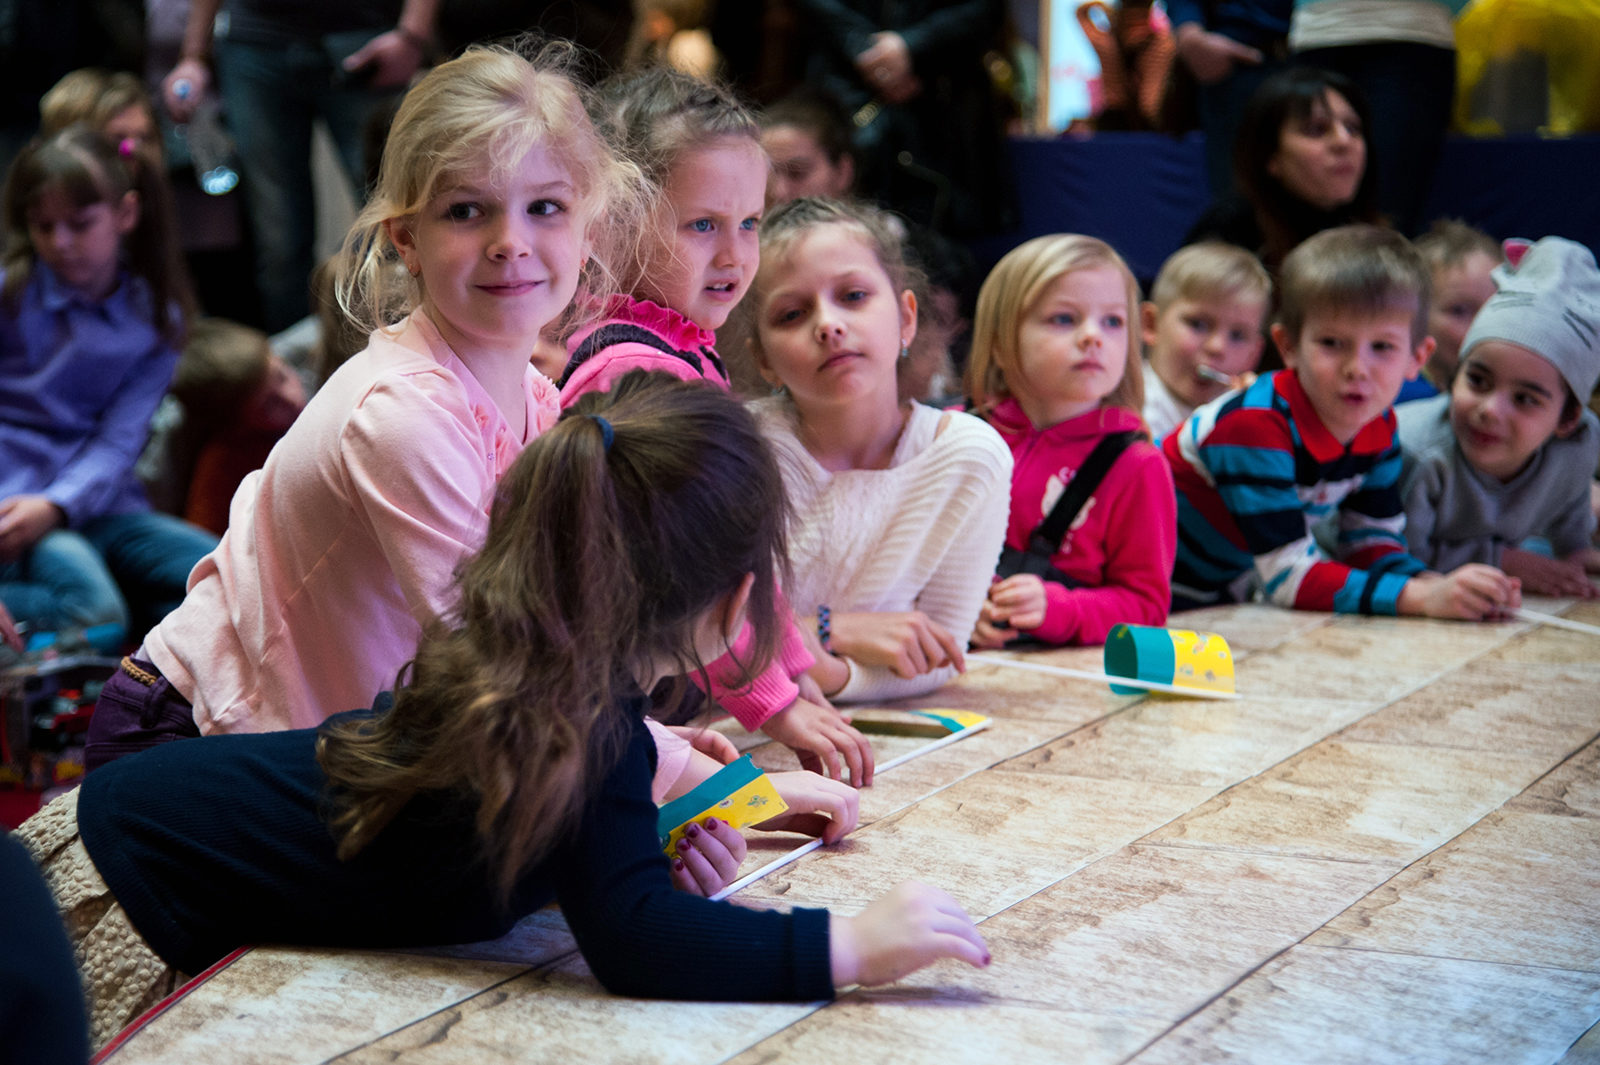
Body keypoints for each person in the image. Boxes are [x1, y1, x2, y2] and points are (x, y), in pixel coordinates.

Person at [16, 376, 990, 1052]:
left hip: (120, 828)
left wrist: (727, 797)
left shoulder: (532, 673)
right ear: (737, 605)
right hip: (134, 884)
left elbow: (567, 837)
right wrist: (850, 946)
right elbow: (639, 939)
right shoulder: (583, 733)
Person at [81, 44, 638, 769]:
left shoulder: (537, 399)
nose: (511, 243)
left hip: (330, 736)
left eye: (546, 207)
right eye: (466, 210)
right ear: (406, 239)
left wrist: (668, 756)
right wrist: (666, 770)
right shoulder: (401, 411)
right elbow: (499, 667)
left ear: (587, 229)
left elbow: (560, 632)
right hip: (186, 733)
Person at [559, 67, 875, 786]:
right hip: (626, 707)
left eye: (751, 223)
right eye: (703, 224)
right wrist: (776, 702)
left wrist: (795, 673)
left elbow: (740, 564)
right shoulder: (633, 374)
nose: (735, 254)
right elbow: (691, 578)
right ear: (617, 219)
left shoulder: (685, 347)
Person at [1165, 224, 1521, 618]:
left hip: (1207, 593)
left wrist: (1440, 587)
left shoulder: (1379, 427)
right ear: (1289, 347)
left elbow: (1372, 543)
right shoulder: (1252, 426)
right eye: (1332, 343)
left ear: (1417, 359)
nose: (1357, 369)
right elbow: (1287, 578)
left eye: (1382, 347)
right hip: (1146, 588)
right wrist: (1420, 599)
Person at [742, 196, 1011, 699]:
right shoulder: (737, 449)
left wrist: (832, 673)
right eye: (792, 313)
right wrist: (833, 629)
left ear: (907, 318)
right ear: (763, 358)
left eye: (854, 295)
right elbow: (706, 635)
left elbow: (942, 653)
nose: (828, 324)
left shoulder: (971, 457)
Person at [0, 126, 214, 646]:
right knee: (96, 610)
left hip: (96, 504)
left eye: (79, 223)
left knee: (224, 574)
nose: (60, 243)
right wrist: (41, 511)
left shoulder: (156, 319)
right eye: (43, 227)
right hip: (14, 507)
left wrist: (60, 504)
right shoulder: (11, 292)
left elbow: (119, 442)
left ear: (125, 214)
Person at [159, 0, 438, 331]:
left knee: (394, 222)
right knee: (280, 245)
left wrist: (412, 35)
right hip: (255, 41)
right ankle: (292, 372)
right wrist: (194, 56)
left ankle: (407, 357)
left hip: (363, 33)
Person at [963, 234, 1175, 648]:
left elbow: (1146, 608)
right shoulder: (955, 436)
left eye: (1113, 321)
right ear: (1001, 344)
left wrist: (1058, 608)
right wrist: (956, 610)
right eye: (1064, 318)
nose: (1092, 336)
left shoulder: (1137, 465)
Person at [1397, 236, 1600, 599]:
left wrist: (1576, 551)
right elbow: (1395, 557)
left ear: (1567, 420)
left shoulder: (1580, 441)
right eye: (1477, 381)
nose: (1490, 409)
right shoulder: (1416, 449)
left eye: (1525, 399)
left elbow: (1570, 507)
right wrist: (1503, 560)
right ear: (1452, 376)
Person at [1186, 64, 1379, 276]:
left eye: (1353, 128)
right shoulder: (1227, 236)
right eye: (1317, 129)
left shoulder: (1377, 236)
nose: (1343, 142)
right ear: (1270, 156)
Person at [167, 318, 309, 535]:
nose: (291, 398)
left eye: (282, 376)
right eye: (269, 404)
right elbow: (204, 545)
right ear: (237, 427)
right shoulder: (223, 466)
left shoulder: (322, 374)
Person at [1140, 242, 1272, 442]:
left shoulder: (1240, 410)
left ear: (1254, 354)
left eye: (1237, 336)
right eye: (1198, 324)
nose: (1216, 347)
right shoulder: (1127, 404)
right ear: (1151, 324)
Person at [1397, 219, 1500, 403]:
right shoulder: (1394, 396)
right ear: (1412, 318)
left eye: (1494, 308)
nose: (1482, 326)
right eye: (1459, 311)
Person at [759, 88, 857, 205]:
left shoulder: (880, 223)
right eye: (767, 176)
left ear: (843, 172)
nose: (779, 192)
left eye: (797, 173)